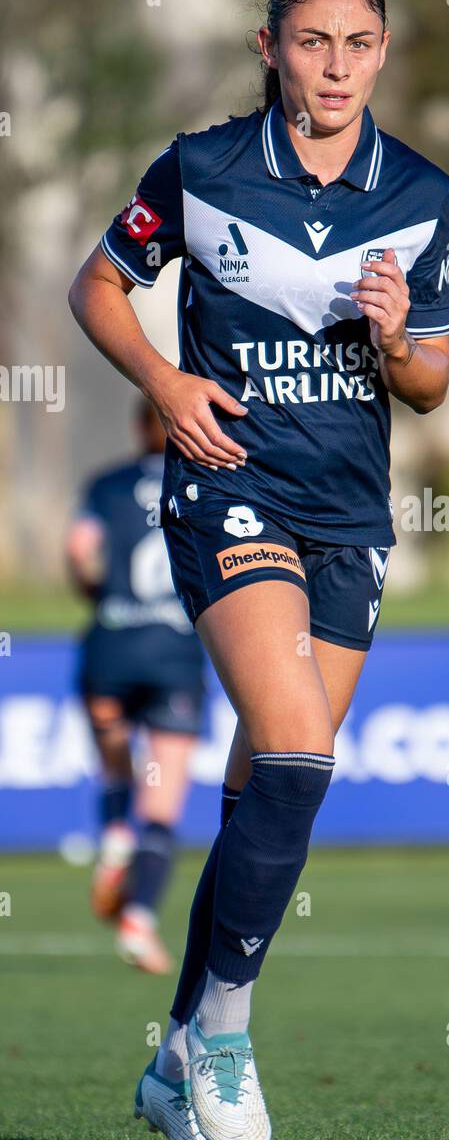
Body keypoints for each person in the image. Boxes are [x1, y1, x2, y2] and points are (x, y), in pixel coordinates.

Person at [68, 0, 449, 1140]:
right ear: (269, 48)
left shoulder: (424, 190)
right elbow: (94, 286)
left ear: (382, 53)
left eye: (356, 43)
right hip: (231, 494)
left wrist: (397, 339)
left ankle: (173, 1052)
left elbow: (435, 382)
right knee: (296, 750)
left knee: (263, 789)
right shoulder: (202, 167)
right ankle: (226, 1035)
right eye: (311, 41)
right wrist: (166, 377)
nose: (334, 66)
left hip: (352, 518)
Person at [66, 397, 207, 974]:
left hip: (111, 644)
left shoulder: (105, 483)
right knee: (164, 802)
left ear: (135, 426)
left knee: (116, 767)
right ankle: (139, 922)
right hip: (173, 652)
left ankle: (114, 834)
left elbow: (80, 554)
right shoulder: (202, 478)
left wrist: (98, 596)